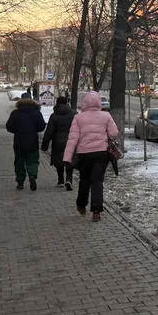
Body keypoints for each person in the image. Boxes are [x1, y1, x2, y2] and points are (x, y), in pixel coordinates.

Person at [63, 90, 118, 221]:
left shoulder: (78, 118)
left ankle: (81, 205)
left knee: (84, 179)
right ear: (98, 102)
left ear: (84, 103)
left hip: (84, 154)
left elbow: (72, 139)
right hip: (101, 153)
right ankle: (96, 211)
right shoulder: (106, 116)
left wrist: (67, 157)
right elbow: (114, 133)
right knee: (97, 181)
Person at [6, 92, 47, 190]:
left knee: (19, 162)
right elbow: (42, 126)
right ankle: (32, 175)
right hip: (32, 142)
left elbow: (9, 127)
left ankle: (20, 182)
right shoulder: (36, 113)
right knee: (33, 161)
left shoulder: (15, 113)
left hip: (19, 142)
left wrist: (17, 130)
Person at [42, 96, 76, 191]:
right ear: (67, 103)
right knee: (69, 160)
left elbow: (49, 132)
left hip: (57, 142)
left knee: (59, 160)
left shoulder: (54, 116)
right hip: (71, 140)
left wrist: (44, 145)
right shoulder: (74, 114)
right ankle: (69, 179)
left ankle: (60, 180)